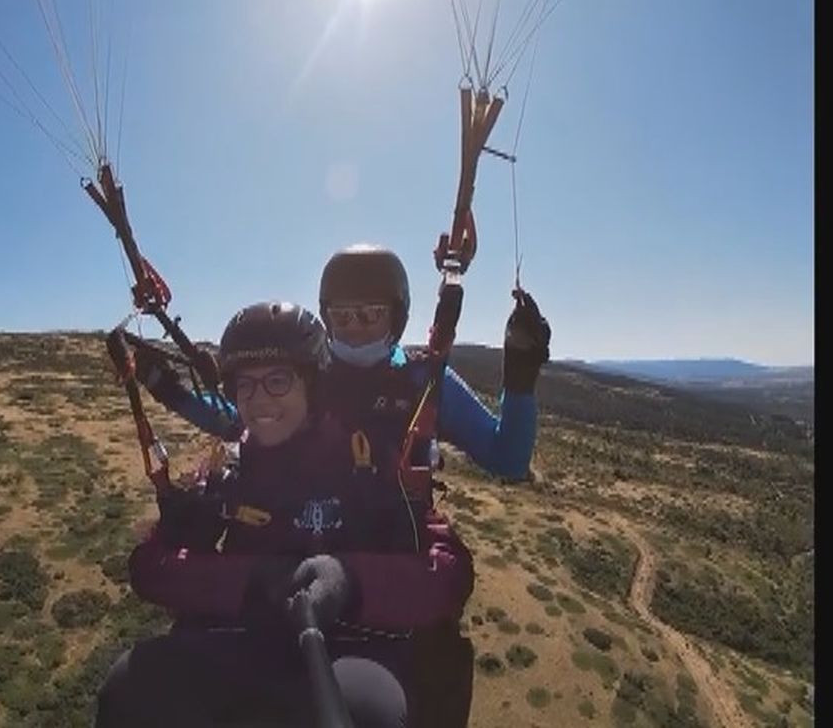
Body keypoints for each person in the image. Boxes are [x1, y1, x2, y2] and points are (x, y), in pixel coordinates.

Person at [95, 301, 475, 728]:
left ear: (312, 385)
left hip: (353, 648)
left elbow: (450, 574)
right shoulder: (228, 470)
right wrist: (254, 580)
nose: (258, 401)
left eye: (278, 380)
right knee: (131, 686)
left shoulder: (369, 460)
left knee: (368, 713)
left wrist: (350, 582)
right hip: (246, 640)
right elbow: (151, 568)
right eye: (245, 385)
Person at [133, 244, 551, 481]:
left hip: (395, 561)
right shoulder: (313, 374)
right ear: (326, 318)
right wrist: (166, 388)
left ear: (396, 318)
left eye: (370, 316)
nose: (354, 329)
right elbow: (242, 419)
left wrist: (520, 377)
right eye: (342, 317)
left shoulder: (423, 380)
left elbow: (508, 460)